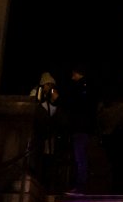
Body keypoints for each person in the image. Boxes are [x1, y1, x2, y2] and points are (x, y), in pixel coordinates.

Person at [61, 63, 97, 194]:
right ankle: (79, 185)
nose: (72, 77)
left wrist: (60, 100)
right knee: (80, 157)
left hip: (81, 128)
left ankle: (80, 186)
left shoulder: (82, 88)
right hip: (83, 128)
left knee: (80, 157)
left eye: (74, 74)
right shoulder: (87, 88)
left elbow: (74, 104)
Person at [30, 72, 65, 192]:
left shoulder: (54, 100)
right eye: (48, 85)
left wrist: (56, 100)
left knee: (48, 161)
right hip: (39, 136)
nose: (49, 87)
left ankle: (48, 185)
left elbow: (59, 117)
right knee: (38, 160)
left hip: (50, 137)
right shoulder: (37, 95)